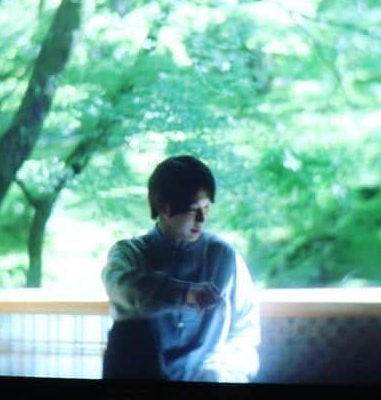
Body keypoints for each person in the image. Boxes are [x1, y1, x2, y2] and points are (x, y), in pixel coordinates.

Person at [101, 155, 261, 383]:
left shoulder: (224, 257)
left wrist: (224, 374)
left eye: (207, 208)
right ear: (165, 208)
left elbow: (245, 333)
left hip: (208, 379)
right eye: (193, 209)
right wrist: (184, 294)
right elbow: (121, 287)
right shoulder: (130, 253)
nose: (202, 218)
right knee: (126, 333)